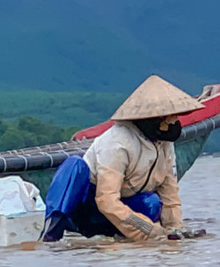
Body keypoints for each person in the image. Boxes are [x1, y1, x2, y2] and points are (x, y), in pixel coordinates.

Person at [40, 75, 202, 242]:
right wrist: (148, 229)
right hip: (88, 207)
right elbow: (106, 200)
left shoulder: (165, 145)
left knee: (152, 202)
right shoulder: (118, 142)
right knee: (74, 165)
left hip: (120, 212)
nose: (173, 121)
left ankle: (121, 236)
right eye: (169, 117)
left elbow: (169, 194)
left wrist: (175, 229)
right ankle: (53, 231)